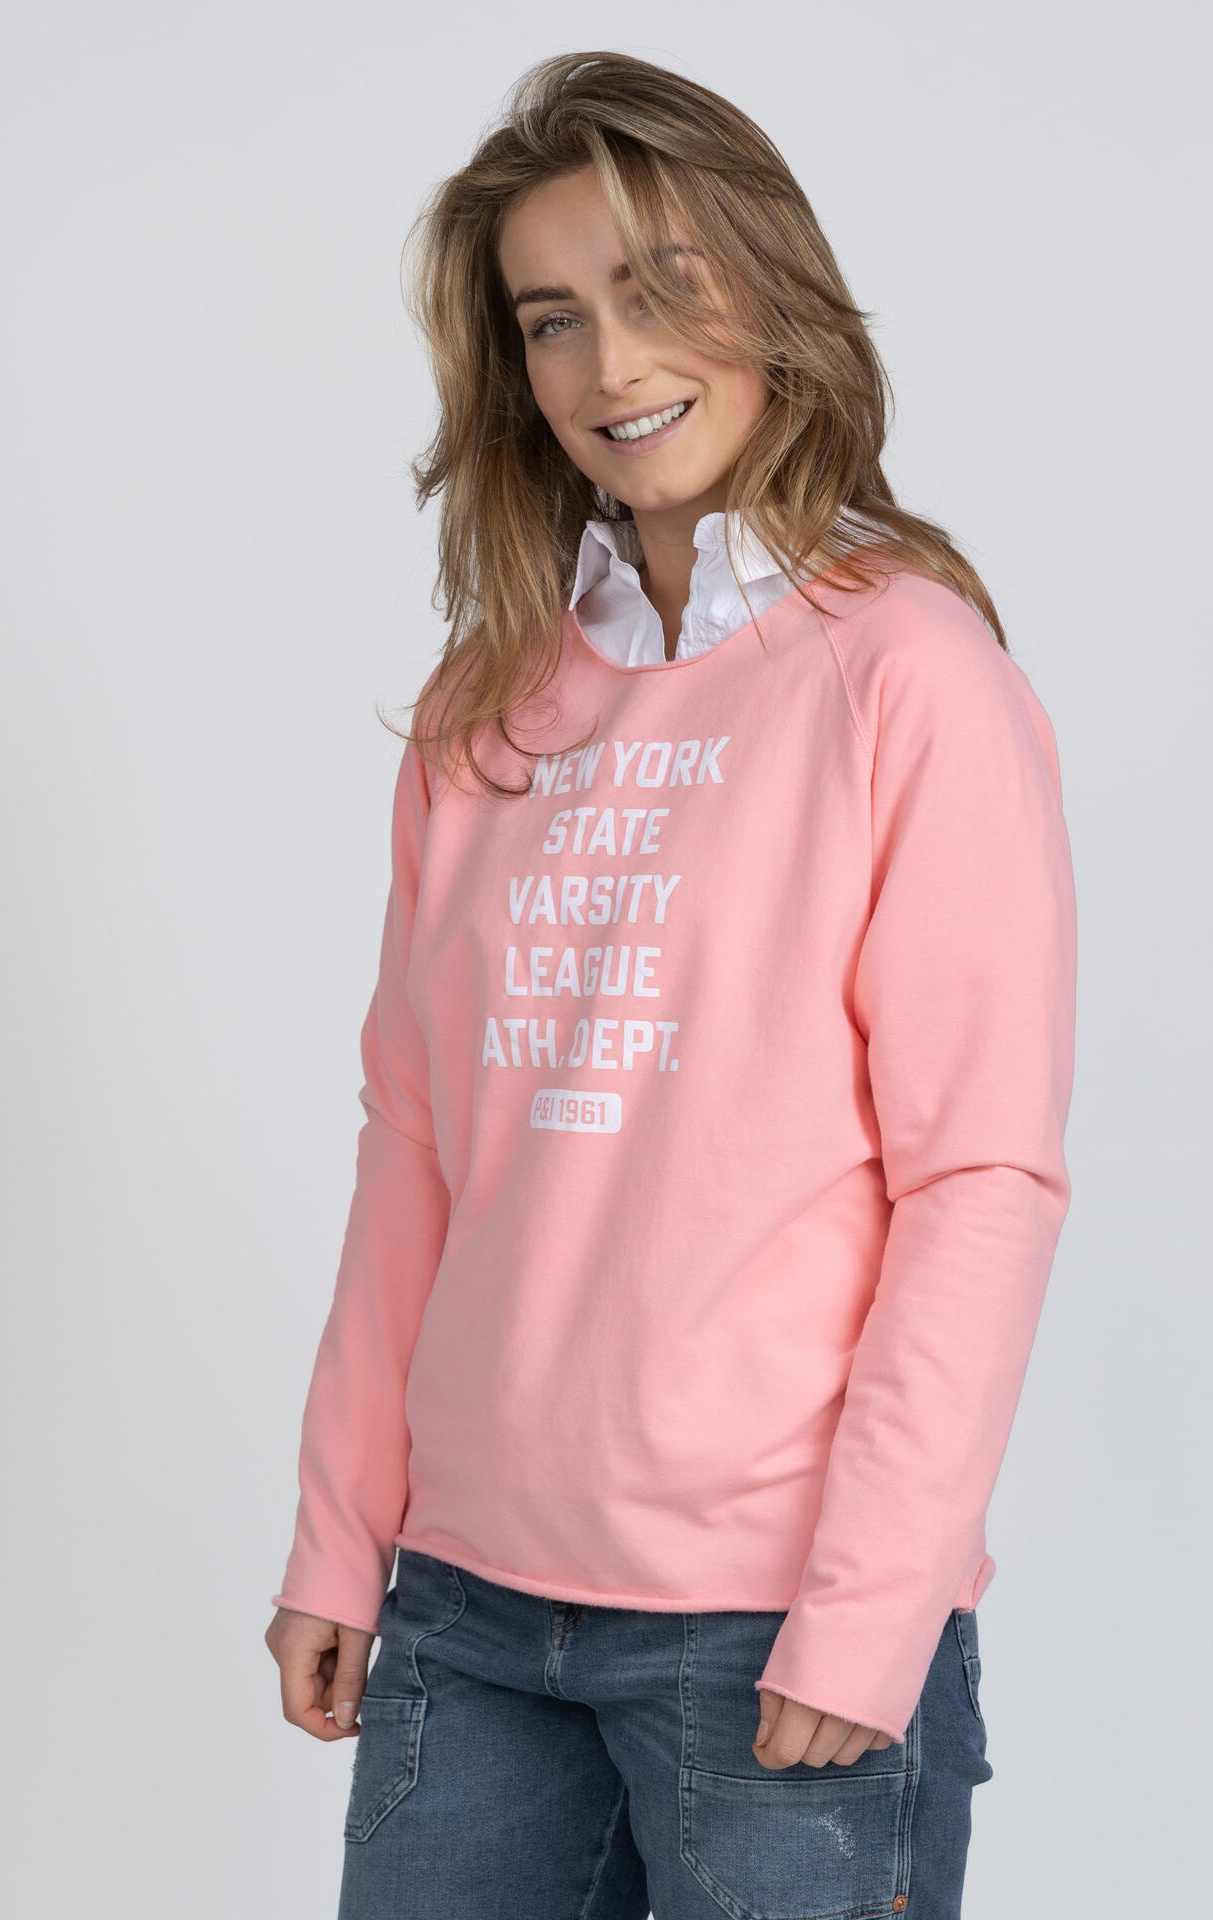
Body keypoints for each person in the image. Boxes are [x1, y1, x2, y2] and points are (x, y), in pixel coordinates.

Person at [264, 48, 1077, 1920]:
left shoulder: (909, 678)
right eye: (553, 318)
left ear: (769, 290)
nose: (609, 364)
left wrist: (873, 1605)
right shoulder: (484, 712)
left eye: (657, 288)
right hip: (465, 1616)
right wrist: (340, 1532)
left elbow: (979, 1181)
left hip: (775, 1623)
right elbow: (414, 1148)